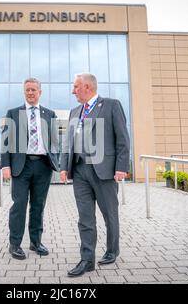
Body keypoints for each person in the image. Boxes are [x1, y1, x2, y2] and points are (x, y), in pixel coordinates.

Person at [60, 73, 131, 277]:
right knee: (85, 218)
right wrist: (64, 166)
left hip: (104, 171)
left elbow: (123, 140)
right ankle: (87, 260)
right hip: (80, 171)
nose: (73, 91)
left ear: (87, 87)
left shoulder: (110, 105)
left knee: (110, 214)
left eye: (75, 87)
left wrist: (121, 167)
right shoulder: (74, 112)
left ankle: (111, 251)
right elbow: (69, 143)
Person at [0, 78, 59, 260]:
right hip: (21, 165)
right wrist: (5, 165)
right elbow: (5, 142)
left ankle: (35, 242)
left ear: (40, 92)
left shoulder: (50, 114)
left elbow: (55, 142)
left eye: (33, 90)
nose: (30, 93)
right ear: (24, 92)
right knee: (19, 205)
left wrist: (60, 164)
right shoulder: (13, 113)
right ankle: (15, 244)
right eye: (27, 90)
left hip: (43, 165)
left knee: (38, 206)